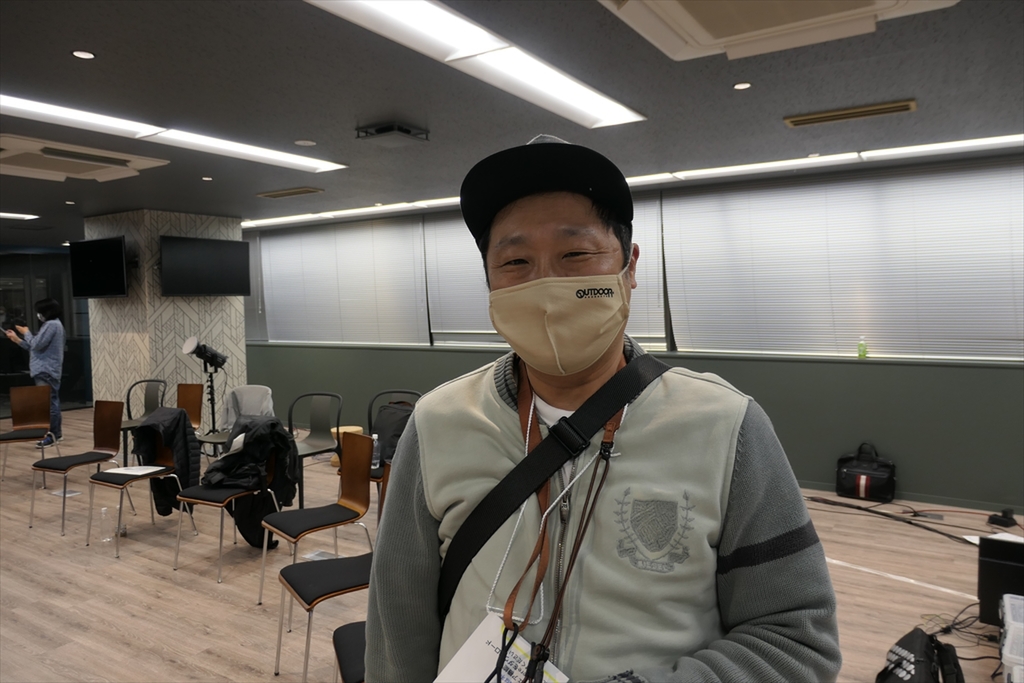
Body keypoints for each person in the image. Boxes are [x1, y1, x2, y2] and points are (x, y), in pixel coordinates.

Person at [365, 137, 842, 683]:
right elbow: (397, 626)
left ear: (629, 266)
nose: (546, 285)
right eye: (515, 261)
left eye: (575, 255)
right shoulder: (438, 422)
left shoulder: (726, 426)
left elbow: (795, 639)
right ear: (490, 282)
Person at [5, 298, 65, 447]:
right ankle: (55, 434)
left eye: (40, 312)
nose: (38, 315)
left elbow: (36, 344)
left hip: (46, 370)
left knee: (49, 404)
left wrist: (26, 332)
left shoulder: (51, 325)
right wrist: (17, 339)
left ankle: (53, 435)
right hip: (45, 370)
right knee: (50, 402)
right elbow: (34, 348)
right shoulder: (52, 325)